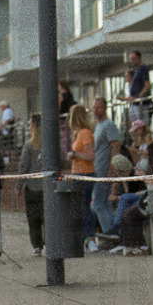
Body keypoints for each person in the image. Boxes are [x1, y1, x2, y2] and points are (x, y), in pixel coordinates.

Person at [66, 104, 98, 252]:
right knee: (80, 208)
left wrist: (75, 154)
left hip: (85, 173)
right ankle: (86, 238)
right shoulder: (79, 133)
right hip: (78, 173)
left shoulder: (84, 133)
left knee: (84, 207)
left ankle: (91, 238)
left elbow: (90, 155)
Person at [91, 97, 122, 244]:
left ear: (105, 108)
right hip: (96, 169)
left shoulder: (108, 125)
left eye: (99, 107)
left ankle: (108, 236)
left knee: (98, 204)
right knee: (105, 203)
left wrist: (112, 168)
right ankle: (113, 233)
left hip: (103, 169)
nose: (96, 110)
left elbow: (115, 146)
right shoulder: (96, 126)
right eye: (94, 107)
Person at [17, 113, 45, 255]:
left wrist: (19, 186)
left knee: (33, 218)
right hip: (47, 187)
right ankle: (50, 242)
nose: (28, 127)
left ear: (34, 126)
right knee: (47, 216)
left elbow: (24, 167)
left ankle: (37, 246)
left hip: (33, 188)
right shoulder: (50, 143)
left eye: (29, 124)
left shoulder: (29, 145)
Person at [124, 50, 153, 126]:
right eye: (131, 59)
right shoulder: (137, 70)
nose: (132, 61)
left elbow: (147, 85)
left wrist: (139, 96)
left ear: (139, 58)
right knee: (133, 123)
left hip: (140, 103)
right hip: (135, 102)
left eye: (134, 58)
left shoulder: (143, 69)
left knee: (142, 124)